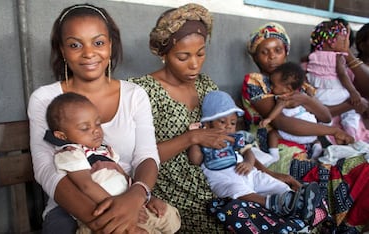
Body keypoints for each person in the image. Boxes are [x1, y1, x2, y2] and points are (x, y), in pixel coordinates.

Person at [128, 4, 302, 232]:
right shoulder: (142, 91)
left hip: (222, 178)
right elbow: (134, 156)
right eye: (183, 56)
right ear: (163, 53)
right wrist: (191, 138)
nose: (194, 64)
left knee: (287, 215)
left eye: (200, 54)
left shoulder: (206, 85)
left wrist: (267, 173)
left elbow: (230, 138)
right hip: (176, 191)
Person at [27, 3, 165, 233]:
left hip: (128, 197)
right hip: (71, 206)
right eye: (75, 45)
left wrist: (136, 196)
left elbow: (147, 156)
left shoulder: (134, 95)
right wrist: (103, 221)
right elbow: (45, 169)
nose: (89, 53)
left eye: (98, 42)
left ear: (110, 45)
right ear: (62, 50)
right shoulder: (45, 98)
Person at [243, 21, 369, 232]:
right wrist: (333, 131)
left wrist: (305, 100)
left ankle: (351, 224)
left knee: (362, 169)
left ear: (286, 51)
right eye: (264, 52)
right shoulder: (255, 81)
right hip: (278, 154)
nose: (272, 56)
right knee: (356, 173)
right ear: (255, 57)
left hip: (309, 150)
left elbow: (325, 116)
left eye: (277, 50)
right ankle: (345, 225)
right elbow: (283, 122)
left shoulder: (297, 82)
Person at [44, 92, 180, 234]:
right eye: (85, 128)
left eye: (97, 123)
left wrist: (147, 197)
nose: (95, 130)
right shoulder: (71, 153)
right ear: (61, 136)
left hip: (132, 203)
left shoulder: (104, 150)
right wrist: (120, 208)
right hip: (103, 213)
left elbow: (124, 177)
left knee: (169, 216)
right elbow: (86, 186)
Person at [187, 90, 321, 225]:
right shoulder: (203, 143)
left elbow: (248, 152)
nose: (228, 126)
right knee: (237, 191)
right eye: (222, 122)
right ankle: (270, 203)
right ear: (208, 124)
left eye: (233, 123)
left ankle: (294, 199)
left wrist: (249, 163)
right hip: (225, 181)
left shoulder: (234, 139)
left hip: (249, 174)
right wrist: (195, 138)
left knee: (270, 182)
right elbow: (195, 159)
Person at [306, 20, 369, 142]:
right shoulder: (339, 57)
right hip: (337, 97)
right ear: (332, 43)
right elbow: (342, 74)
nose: (347, 43)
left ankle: (323, 138)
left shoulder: (312, 58)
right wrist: (353, 93)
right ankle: (351, 134)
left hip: (319, 96)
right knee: (352, 115)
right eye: (343, 40)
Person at [259, 62, 326, 160]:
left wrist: (269, 119)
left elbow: (278, 108)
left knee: (273, 134)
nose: (271, 87)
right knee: (315, 138)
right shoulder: (300, 95)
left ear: (287, 89)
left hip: (297, 129)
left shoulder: (283, 98)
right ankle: (317, 146)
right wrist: (310, 95)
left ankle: (274, 156)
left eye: (274, 85)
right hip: (311, 128)